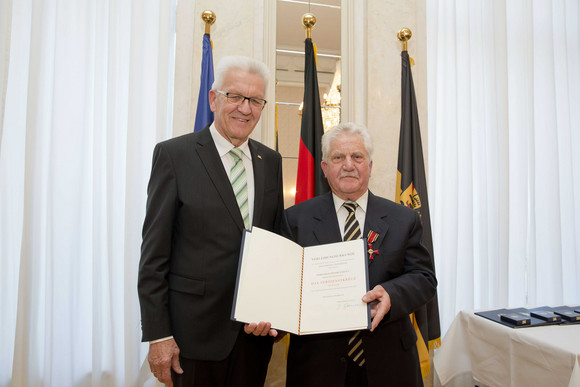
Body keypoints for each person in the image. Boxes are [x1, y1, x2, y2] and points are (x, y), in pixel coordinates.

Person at [138, 55, 284, 386]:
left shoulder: (270, 161)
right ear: (213, 98)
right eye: (235, 96)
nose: (245, 108)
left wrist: (277, 313)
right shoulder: (174, 156)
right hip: (191, 339)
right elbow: (154, 256)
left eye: (255, 100)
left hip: (254, 338)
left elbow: (276, 245)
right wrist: (158, 335)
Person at [281, 122, 437, 387]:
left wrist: (391, 294)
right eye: (338, 157)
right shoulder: (296, 219)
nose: (348, 165)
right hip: (317, 366)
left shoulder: (403, 218)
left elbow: (424, 278)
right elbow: (283, 284)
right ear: (324, 167)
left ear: (370, 165)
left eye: (357, 157)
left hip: (390, 364)